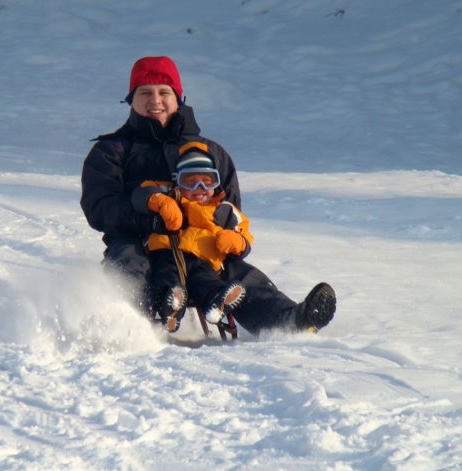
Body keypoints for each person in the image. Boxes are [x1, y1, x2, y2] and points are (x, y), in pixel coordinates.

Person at [80, 55, 336, 335]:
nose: (155, 100)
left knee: (238, 274)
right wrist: (149, 222)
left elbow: (229, 207)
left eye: (164, 92)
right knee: (128, 264)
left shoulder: (209, 152)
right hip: (138, 240)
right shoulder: (112, 151)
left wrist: (232, 238)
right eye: (145, 93)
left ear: (178, 97)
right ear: (131, 99)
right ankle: (123, 324)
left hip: (201, 244)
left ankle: (286, 320)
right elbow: (99, 205)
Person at [133, 143, 252, 332]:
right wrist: (160, 201)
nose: (200, 188)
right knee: (167, 275)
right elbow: (142, 193)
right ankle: (171, 305)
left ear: (216, 183)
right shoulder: (172, 195)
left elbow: (242, 230)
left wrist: (237, 242)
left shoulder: (224, 209)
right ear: (178, 181)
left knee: (205, 279)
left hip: (202, 259)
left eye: (208, 181)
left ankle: (216, 302)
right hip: (168, 251)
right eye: (190, 182)